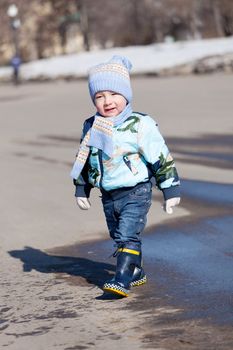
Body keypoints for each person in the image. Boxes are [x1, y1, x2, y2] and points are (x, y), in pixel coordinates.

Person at [70, 55, 180, 297]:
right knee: (118, 234)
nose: (107, 101)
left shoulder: (140, 123)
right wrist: (82, 188)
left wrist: (170, 189)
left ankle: (121, 279)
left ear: (126, 95)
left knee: (126, 235)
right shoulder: (92, 126)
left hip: (136, 191)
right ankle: (136, 270)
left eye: (114, 94)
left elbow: (159, 155)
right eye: (100, 96)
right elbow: (86, 157)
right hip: (108, 193)